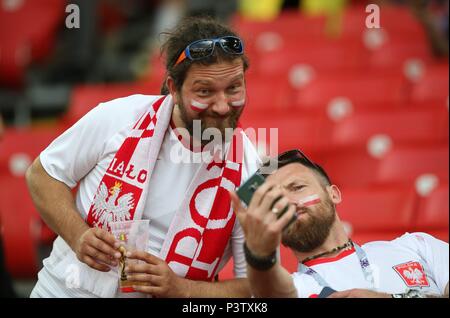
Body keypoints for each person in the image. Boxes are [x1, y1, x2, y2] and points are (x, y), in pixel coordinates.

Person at [26, 17, 261, 298]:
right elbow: (42, 175)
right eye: (205, 91)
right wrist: (78, 235)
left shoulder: (253, 170)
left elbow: (257, 286)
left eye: (234, 88)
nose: (223, 107)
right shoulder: (118, 116)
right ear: (173, 88)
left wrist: (182, 289)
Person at [230, 149, 449, 298]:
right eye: (276, 200)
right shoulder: (296, 287)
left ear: (333, 194)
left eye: (297, 188)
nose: (288, 202)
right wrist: (259, 253)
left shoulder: (416, 246)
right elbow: (271, 290)